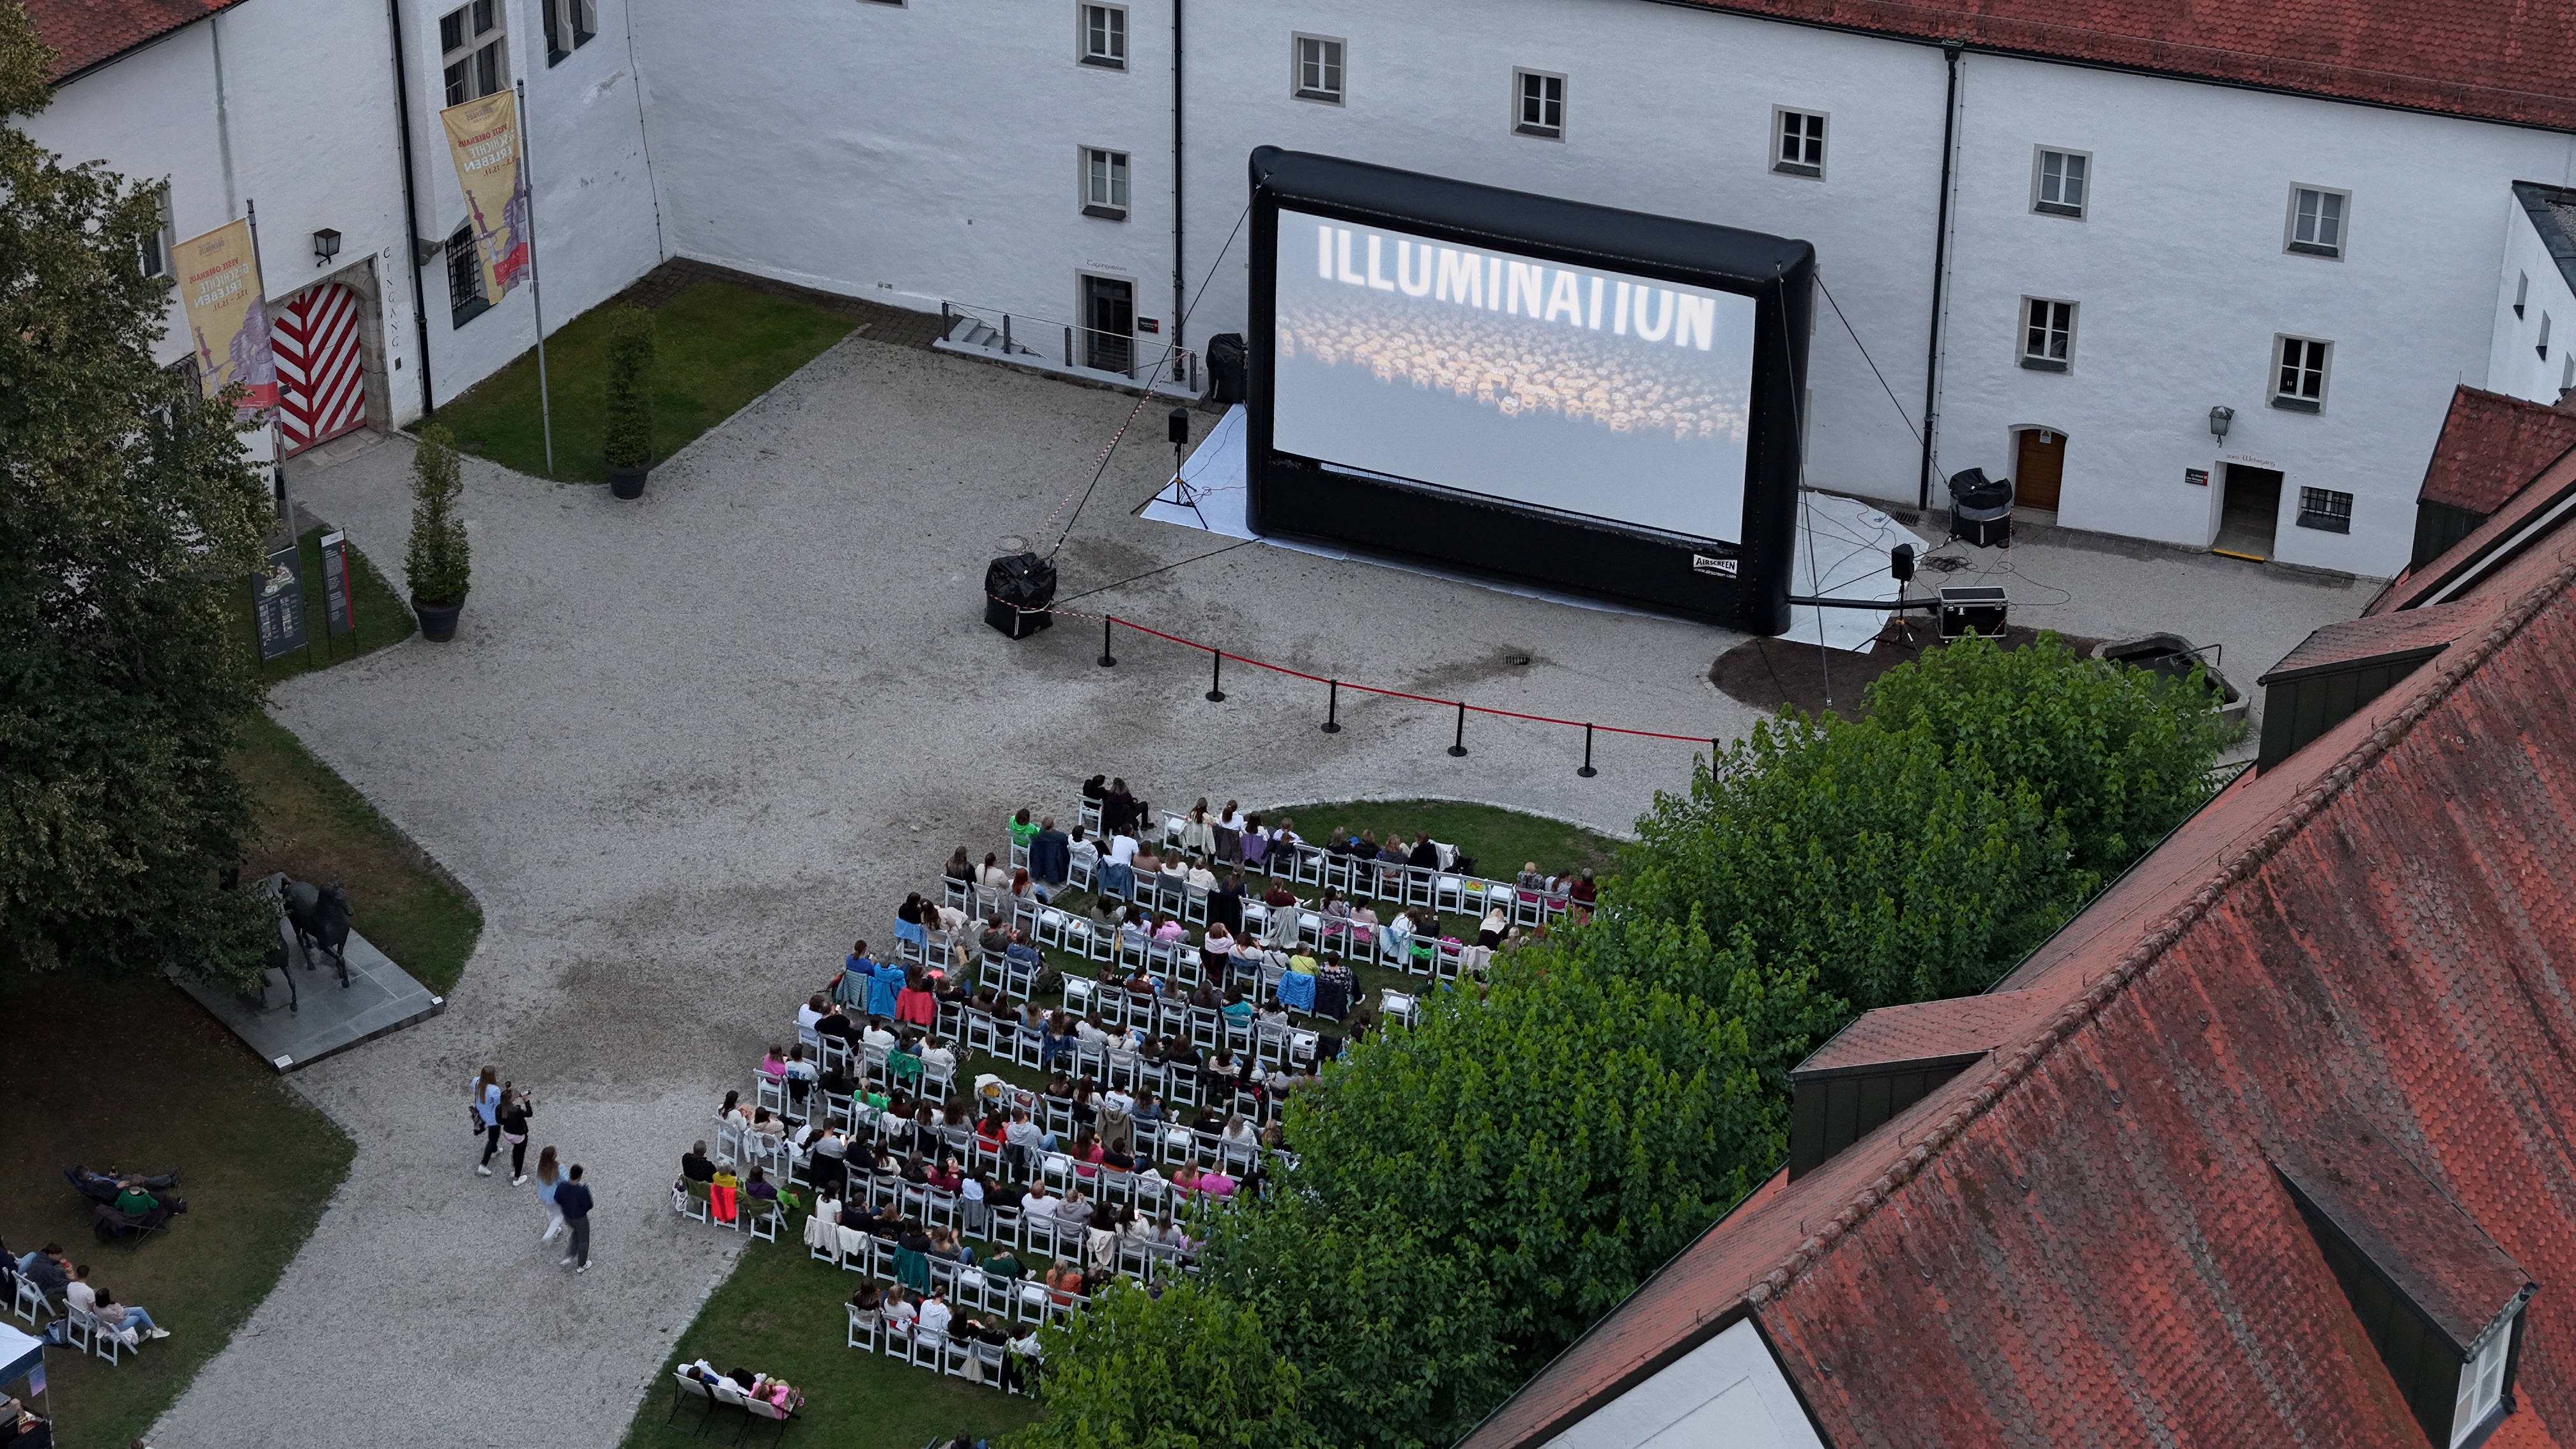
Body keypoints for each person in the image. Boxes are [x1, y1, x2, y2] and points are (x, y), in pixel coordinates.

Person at [556, 1165, 595, 1271]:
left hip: (567, 1216)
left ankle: (570, 1254)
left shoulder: (562, 1186)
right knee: (584, 1239)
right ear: (580, 1176)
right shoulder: (582, 1191)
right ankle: (582, 1264)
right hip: (579, 1218)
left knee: (576, 1233)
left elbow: (557, 1198)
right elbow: (589, 1205)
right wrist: (587, 1192)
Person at [496, 1087, 536, 1184]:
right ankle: (517, 1178)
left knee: (516, 1150)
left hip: (507, 1133)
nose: (515, 1097)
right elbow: (529, 1113)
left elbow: (500, 1121)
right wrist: (525, 1101)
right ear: (510, 1099)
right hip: (518, 1136)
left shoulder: (500, 1108)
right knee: (520, 1155)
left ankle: (514, 1169)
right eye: (513, 1096)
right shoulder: (516, 1111)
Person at [470, 1066, 503, 1176]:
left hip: (481, 1113)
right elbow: (498, 1104)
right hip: (493, 1117)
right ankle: (483, 1165)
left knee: (493, 1137)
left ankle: (494, 1150)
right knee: (493, 1138)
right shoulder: (495, 1090)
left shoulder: (476, 1082)